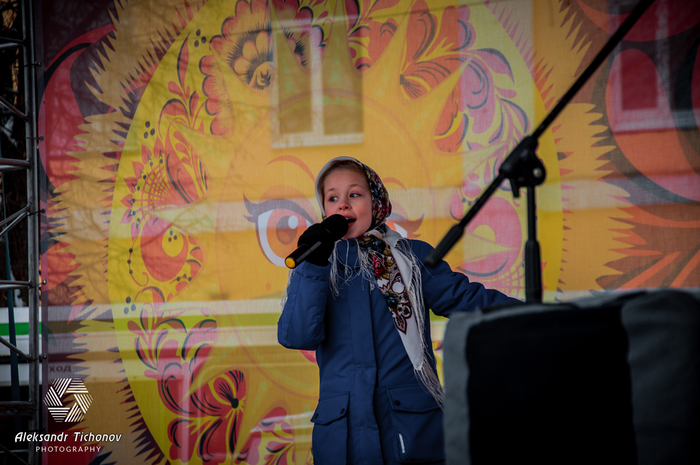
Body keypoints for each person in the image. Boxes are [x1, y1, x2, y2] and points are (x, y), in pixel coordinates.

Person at [278, 156, 520, 465]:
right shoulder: (318, 266)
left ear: (376, 201)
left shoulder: (412, 258)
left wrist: (535, 316)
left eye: (355, 194)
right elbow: (297, 336)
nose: (343, 204)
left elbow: (467, 299)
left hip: (411, 432)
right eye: (333, 198)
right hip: (343, 439)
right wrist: (313, 267)